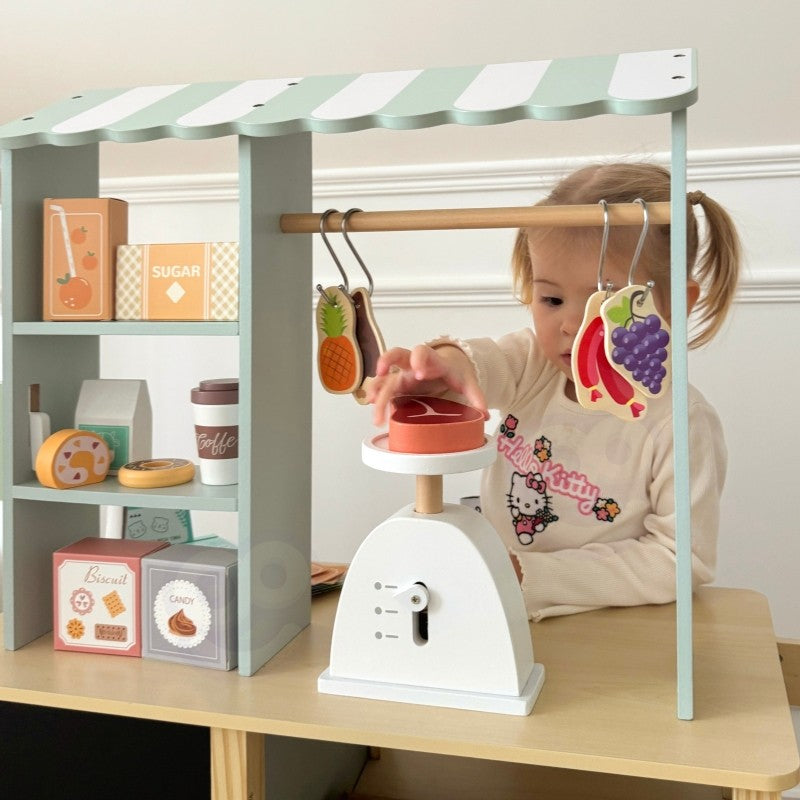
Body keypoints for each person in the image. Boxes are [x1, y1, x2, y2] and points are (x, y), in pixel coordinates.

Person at [368, 162, 741, 621]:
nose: (569, 324)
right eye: (551, 299)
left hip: (616, 624)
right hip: (503, 605)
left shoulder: (680, 423)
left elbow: (681, 560)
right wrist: (442, 366)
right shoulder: (534, 365)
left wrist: (530, 576)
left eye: (602, 302)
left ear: (674, 304)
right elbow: (482, 364)